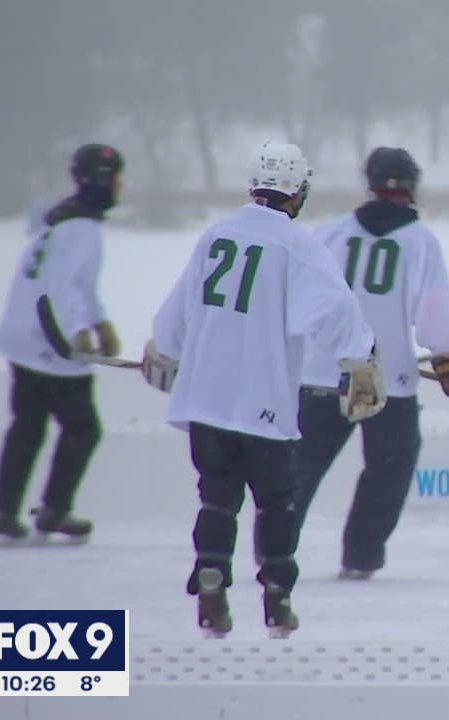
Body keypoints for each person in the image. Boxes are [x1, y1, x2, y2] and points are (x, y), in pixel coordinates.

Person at [141, 141, 385, 638]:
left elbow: (178, 310)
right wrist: (359, 360)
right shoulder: (296, 244)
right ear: (299, 191)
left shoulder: (215, 234)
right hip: (263, 404)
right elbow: (334, 310)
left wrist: (165, 350)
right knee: (277, 500)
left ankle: (211, 575)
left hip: (206, 401)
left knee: (216, 496)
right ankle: (277, 597)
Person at [289, 146, 449, 580]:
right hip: (389, 381)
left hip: (323, 375)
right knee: (389, 469)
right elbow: (434, 318)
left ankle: (273, 549)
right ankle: (361, 556)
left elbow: (296, 303)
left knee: (299, 468)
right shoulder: (420, 242)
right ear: (412, 188)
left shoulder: (329, 234)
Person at [0, 143, 125, 543]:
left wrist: (102, 323)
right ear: (102, 182)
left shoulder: (60, 222)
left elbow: (77, 285)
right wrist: (79, 334)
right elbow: (63, 290)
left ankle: (3, 513)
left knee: (27, 428)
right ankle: (54, 510)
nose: (121, 185)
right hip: (49, 344)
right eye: (116, 178)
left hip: (22, 340)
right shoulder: (82, 230)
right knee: (84, 429)